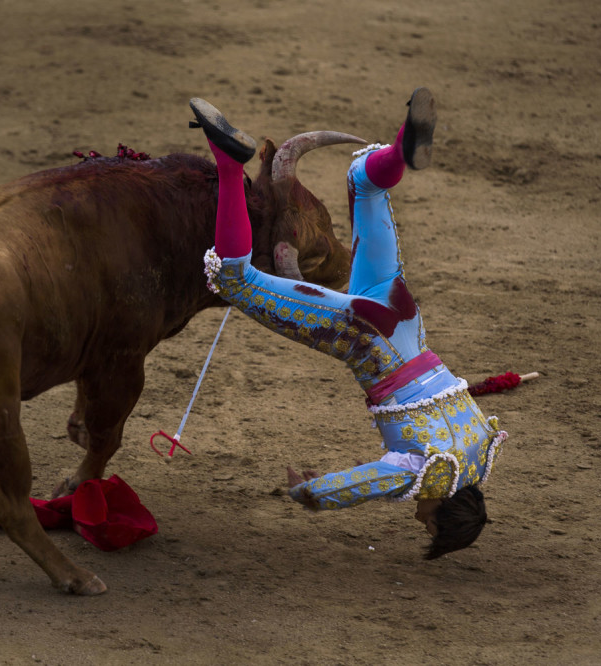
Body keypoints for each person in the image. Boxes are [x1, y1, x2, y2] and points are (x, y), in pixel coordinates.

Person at [189, 88, 506, 559]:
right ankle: (229, 161)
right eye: (429, 526)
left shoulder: (481, 450)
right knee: (233, 279)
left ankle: (402, 147)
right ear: (441, 511)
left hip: (404, 321)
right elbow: (366, 483)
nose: (419, 520)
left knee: (366, 182)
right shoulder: (426, 472)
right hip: (366, 339)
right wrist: (310, 494)